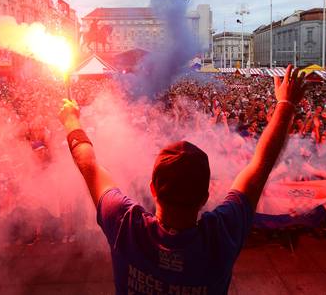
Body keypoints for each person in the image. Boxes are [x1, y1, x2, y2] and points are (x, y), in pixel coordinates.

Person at [58, 65, 305, 294]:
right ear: (206, 197)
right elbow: (260, 166)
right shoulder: (221, 236)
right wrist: (285, 104)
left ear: (152, 189)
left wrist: (71, 119)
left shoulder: (126, 226)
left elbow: (88, 164)